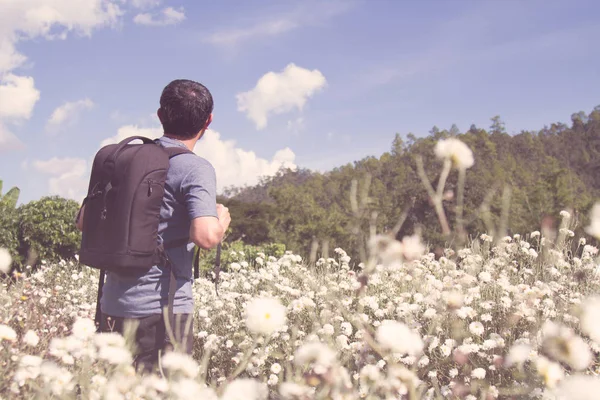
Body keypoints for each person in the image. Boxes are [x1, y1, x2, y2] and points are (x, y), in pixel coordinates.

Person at [76, 79, 231, 372]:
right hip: (163, 312)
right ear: (208, 122)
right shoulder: (196, 168)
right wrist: (221, 221)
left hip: (110, 305)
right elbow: (206, 236)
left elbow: (84, 222)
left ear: (160, 115)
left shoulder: (125, 160)